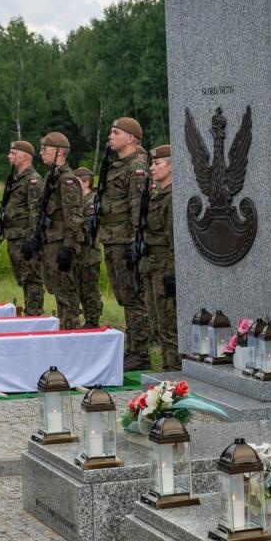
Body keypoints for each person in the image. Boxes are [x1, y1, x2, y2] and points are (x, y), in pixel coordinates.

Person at [97, 117, 152, 369]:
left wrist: (133, 242)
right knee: (123, 296)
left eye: (116, 132)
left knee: (132, 297)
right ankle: (133, 348)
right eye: (111, 131)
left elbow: (137, 208)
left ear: (130, 138)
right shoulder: (116, 165)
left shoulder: (136, 167)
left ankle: (140, 353)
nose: (111, 136)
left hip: (124, 240)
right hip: (111, 238)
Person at [38, 134, 86, 329]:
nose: (41, 152)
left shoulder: (66, 180)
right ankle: (65, 331)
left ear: (59, 151)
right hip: (52, 241)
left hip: (61, 244)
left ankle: (71, 332)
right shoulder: (51, 177)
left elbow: (73, 217)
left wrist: (68, 248)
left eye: (45, 149)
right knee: (58, 292)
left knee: (67, 294)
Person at [141, 145, 179, 370]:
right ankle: (167, 370)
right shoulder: (156, 197)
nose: (152, 168)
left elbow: (173, 239)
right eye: (152, 164)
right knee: (156, 324)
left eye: (158, 164)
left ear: (172, 166)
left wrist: (172, 273)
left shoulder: (172, 197)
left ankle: (175, 374)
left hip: (164, 268)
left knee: (168, 326)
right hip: (151, 267)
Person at [5, 139, 48, 316]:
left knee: (32, 277)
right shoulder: (17, 179)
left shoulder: (33, 180)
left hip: (25, 237)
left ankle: (35, 312)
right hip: (15, 235)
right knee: (23, 277)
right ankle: (31, 308)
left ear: (25, 156)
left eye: (13, 153)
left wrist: (32, 239)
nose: (9, 156)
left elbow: (35, 213)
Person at [75, 167, 104, 328]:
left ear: (85, 182)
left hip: (89, 253)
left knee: (90, 289)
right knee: (81, 288)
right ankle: (88, 318)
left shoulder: (92, 201)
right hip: (80, 252)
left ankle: (93, 319)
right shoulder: (78, 201)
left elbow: (89, 228)